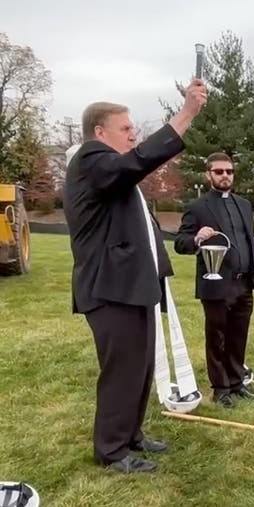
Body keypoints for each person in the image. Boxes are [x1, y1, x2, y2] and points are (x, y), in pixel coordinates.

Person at [63, 80, 208, 474]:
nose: (133, 134)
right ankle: (110, 451)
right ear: (99, 133)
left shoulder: (112, 175)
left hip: (133, 288)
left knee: (141, 366)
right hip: (110, 291)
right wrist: (186, 114)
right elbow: (138, 160)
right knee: (122, 371)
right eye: (125, 129)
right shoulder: (92, 161)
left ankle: (131, 435)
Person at [173, 152, 254, 409]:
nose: (225, 175)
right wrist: (197, 238)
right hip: (215, 283)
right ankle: (221, 388)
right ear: (209, 175)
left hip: (244, 283)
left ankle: (238, 383)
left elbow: (248, 242)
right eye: (219, 171)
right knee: (217, 338)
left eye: (229, 171)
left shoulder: (244, 205)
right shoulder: (198, 207)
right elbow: (180, 243)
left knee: (239, 336)